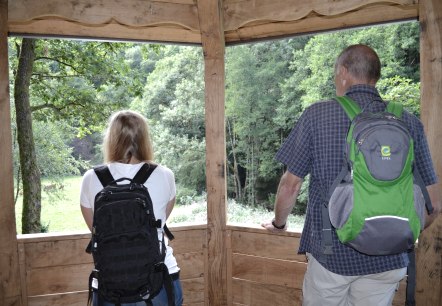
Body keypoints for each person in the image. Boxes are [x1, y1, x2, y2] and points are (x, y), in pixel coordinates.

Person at [262, 44, 441, 306]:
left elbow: (291, 185)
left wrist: (279, 224)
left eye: (336, 74)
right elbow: (434, 203)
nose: (336, 80)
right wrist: (399, 231)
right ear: (375, 76)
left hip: (332, 254)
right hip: (389, 261)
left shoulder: (318, 114)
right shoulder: (408, 121)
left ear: (344, 72)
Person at [80, 110, 183, 306]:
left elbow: (96, 229)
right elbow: (160, 223)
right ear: (145, 138)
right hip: (160, 280)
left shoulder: (91, 178)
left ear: (111, 138)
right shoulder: (165, 175)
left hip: (111, 284)